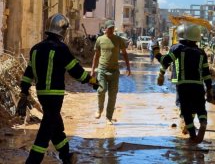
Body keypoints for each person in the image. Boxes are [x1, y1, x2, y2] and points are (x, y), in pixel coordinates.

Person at [16, 13, 99, 164]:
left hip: (42, 94)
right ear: (63, 31)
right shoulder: (61, 48)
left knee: (55, 125)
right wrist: (92, 80)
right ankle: (32, 161)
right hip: (55, 95)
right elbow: (76, 71)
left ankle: (66, 156)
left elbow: (28, 73)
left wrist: (24, 92)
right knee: (46, 129)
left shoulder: (35, 49)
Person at [154, 25, 213, 143]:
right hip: (198, 85)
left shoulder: (177, 48)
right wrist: (210, 88)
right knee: (200, 107)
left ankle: (192, 136)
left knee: (186, 110)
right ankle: (203, 122)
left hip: (183, 84)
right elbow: (206, 73)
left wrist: (156, 53)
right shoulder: (201, 52)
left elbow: (165, 61)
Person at [91, 20, 131, 125]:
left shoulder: (118, 40)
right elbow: (96, 56)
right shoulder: (100, 40)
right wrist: (92, 70)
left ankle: (109, 118)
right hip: (102, 70)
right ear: (105, 29)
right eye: (109, 28)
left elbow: (125, 54)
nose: (111, 30)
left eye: (113, 28)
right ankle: (99, 109)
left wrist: (128, 68)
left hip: (114, 71)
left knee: (112, 95)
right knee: (101, 89)